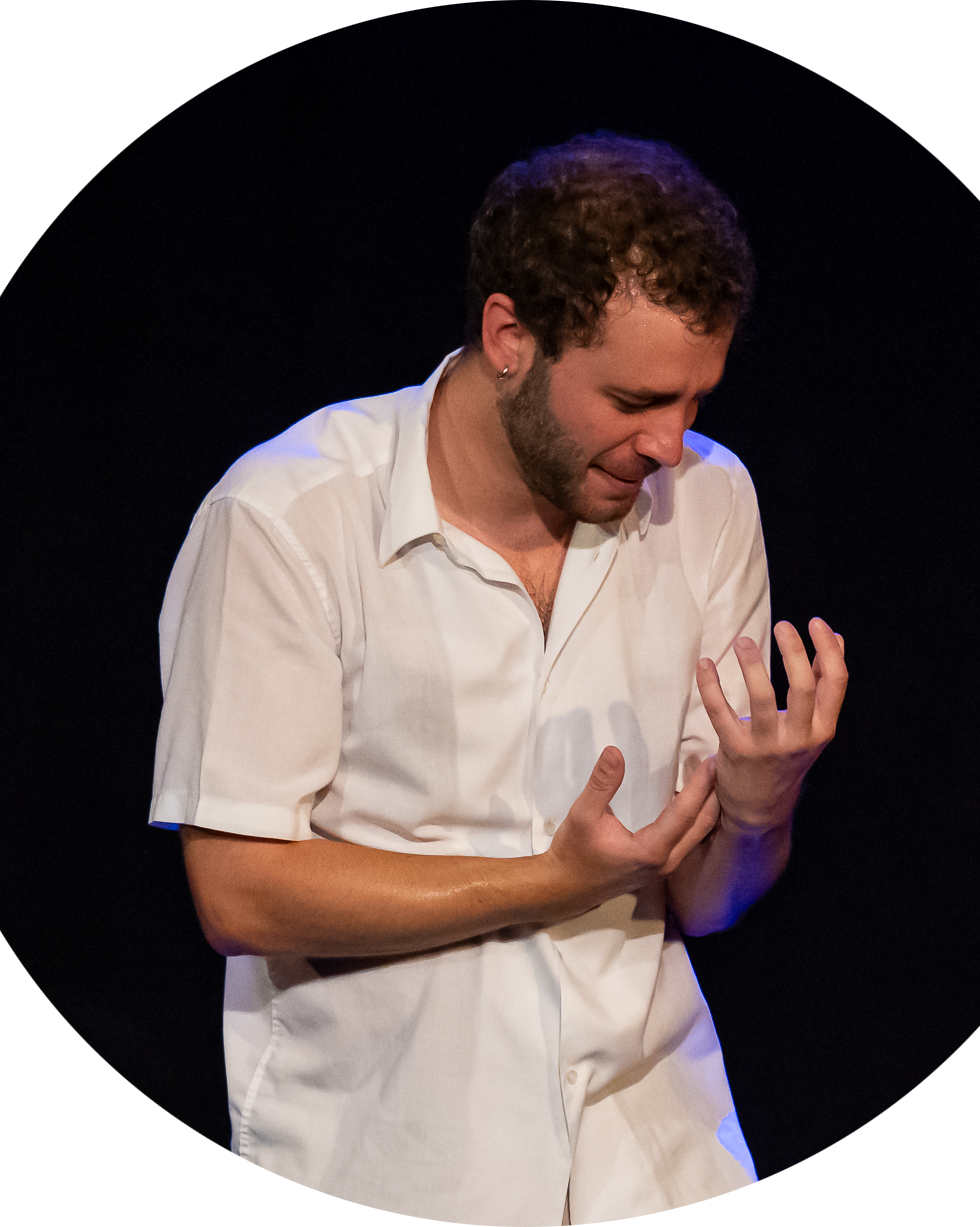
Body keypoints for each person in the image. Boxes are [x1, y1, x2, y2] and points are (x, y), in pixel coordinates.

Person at [149, 133, 847, 1225]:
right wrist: (550, 879)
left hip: (656, 1157)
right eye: (634, 399)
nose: (670, 444)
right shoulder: (288, 517)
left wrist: (759, 809)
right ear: (509, 336)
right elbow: (237, 892)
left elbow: (706, 901)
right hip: (393, 1165)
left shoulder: (710, 503)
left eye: (695, 401)